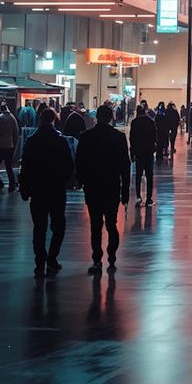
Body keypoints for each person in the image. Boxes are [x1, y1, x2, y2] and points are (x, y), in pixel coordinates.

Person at [18, 108, 74, 277]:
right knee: (58, 225)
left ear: (40, 119)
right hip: (56, 188)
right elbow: (69, 164)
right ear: (54, 119)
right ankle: (52, 257)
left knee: (39, 227)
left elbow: (25, 166)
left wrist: (24, 188)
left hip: (38, 189)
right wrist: (65, 180)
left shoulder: (32, 140)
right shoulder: (60, 140)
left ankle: (39, 260)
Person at [76, 104, 131, 272]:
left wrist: (80, 181)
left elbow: (80, 162)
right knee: (111, 224)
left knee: (96, 225)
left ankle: (97, 259)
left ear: (96, 117)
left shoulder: (86, 137)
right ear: (110, 118)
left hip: (92, 186)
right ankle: (112, 257)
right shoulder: (118, 137)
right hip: (111, 186)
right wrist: (125, 190)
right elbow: (125, 165)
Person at [129, 104, 159, 204]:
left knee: (138, 174)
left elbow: (132, 138)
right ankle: (149, 198)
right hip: (148, 151)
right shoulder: (150, 121)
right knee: (149, 175)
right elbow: (154, 136)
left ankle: (138, 196)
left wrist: (132, 152)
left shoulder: (134, 122)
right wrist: (154, 148)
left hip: (139, 151)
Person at [0, 105, 19, 189]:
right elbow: (16, 132)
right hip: (9, 145)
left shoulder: (0, 118)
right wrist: (14, 144)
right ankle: (12, 184)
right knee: (8, 166)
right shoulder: (12, 117)